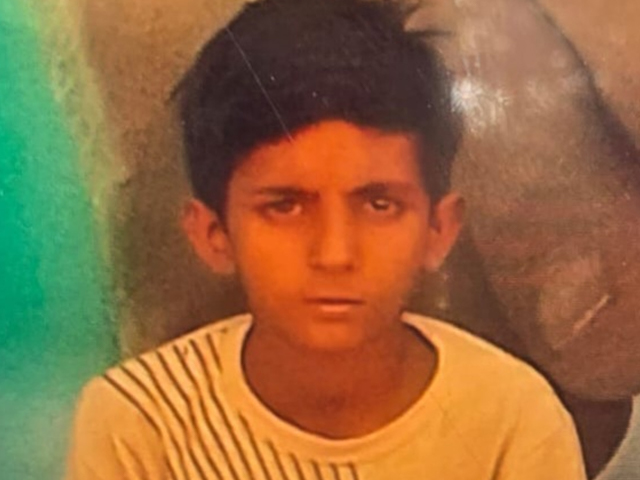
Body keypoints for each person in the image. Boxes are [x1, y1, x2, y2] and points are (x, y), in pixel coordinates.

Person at [65, 0, 587, 478]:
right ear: (213, 234)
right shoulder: (140, 423)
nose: (335, 254)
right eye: (284, 206)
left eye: (379, 205)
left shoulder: (511, 417)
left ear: (438, 229)